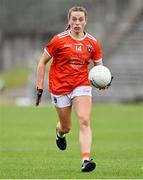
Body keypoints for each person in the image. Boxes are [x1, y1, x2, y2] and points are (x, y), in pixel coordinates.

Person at [36, 6, 112, 172]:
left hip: (81, 85)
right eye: (74, 19)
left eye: (80, 19)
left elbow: (99, 68)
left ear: (86, 21)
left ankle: (85, 160)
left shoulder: (93, 43)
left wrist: (104, 82)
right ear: (69, 21)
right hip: (59, 86)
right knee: (66, 127)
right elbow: (42, 62)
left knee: (84, 120)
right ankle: (60, 134)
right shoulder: (58, 40)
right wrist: (40, 87)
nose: (77, 23)